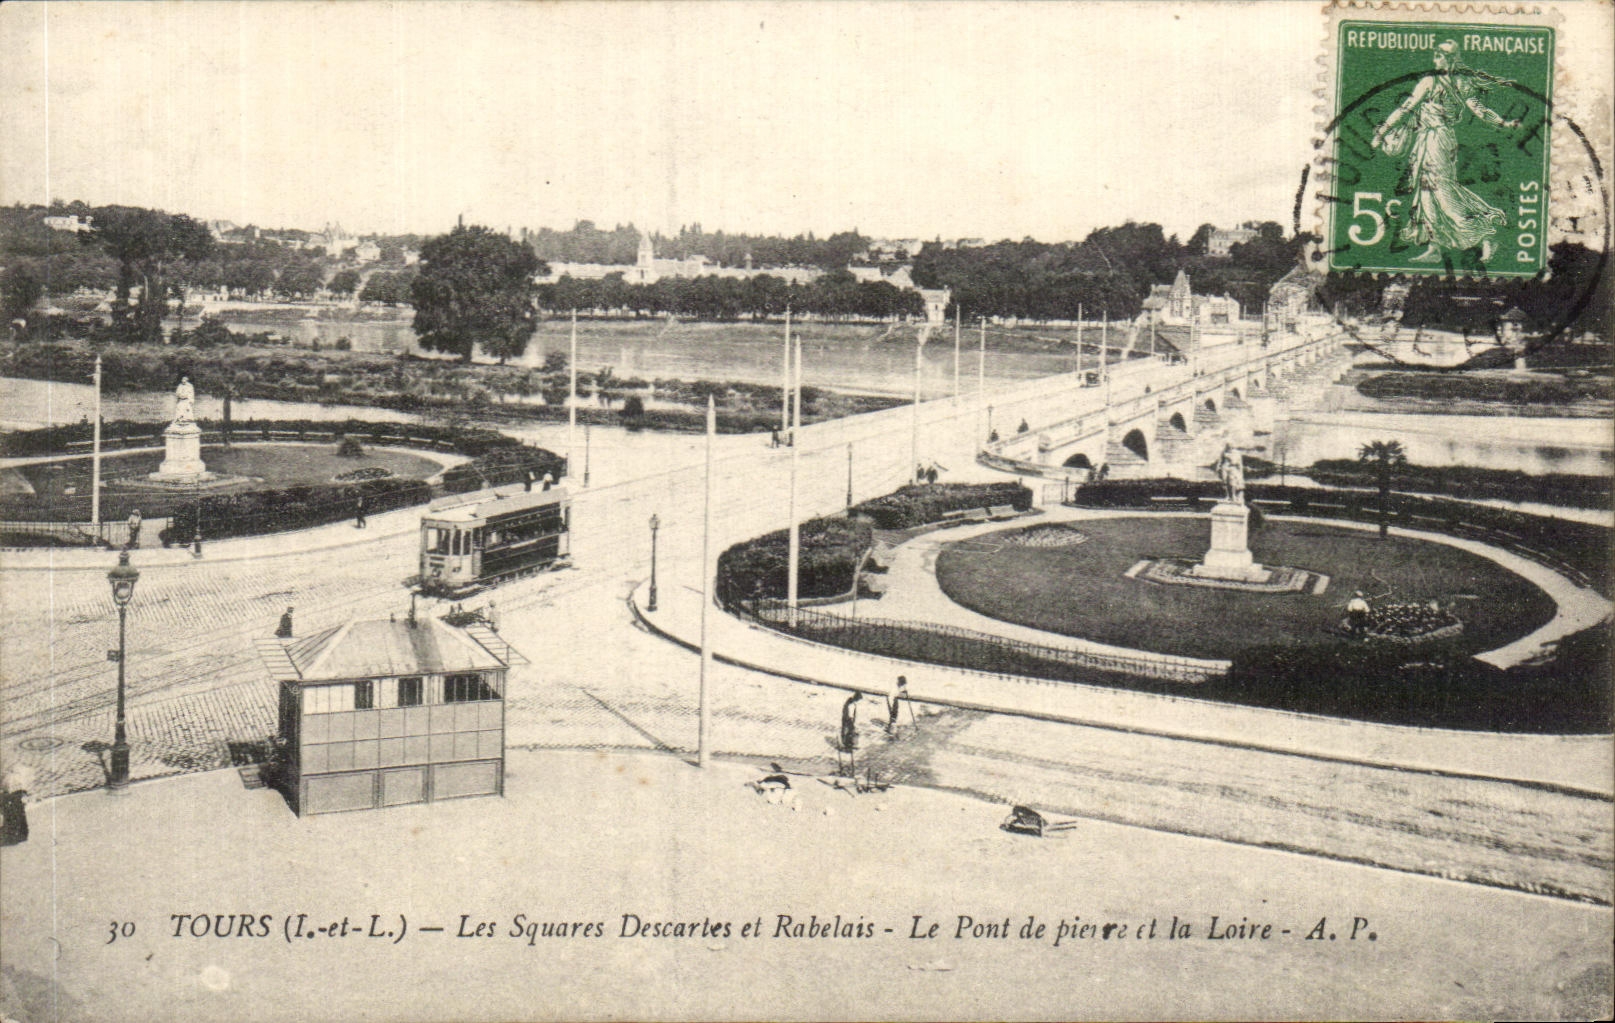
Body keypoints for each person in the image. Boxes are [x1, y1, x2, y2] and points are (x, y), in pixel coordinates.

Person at [1371, 40, 1522, 264]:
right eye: (1435, 55)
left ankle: (1487, 234)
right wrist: (1503, 123)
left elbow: (1406, 109)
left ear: (1449, 58)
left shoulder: (1430, 82)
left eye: (1439, 56)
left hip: (1436, 140)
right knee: (1426, 194)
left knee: (1443, 192)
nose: (1435, 60)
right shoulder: (1461, 82)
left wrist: (1381, 132)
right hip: (1435, 139)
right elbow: (1481, 112)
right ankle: (1435, 247)